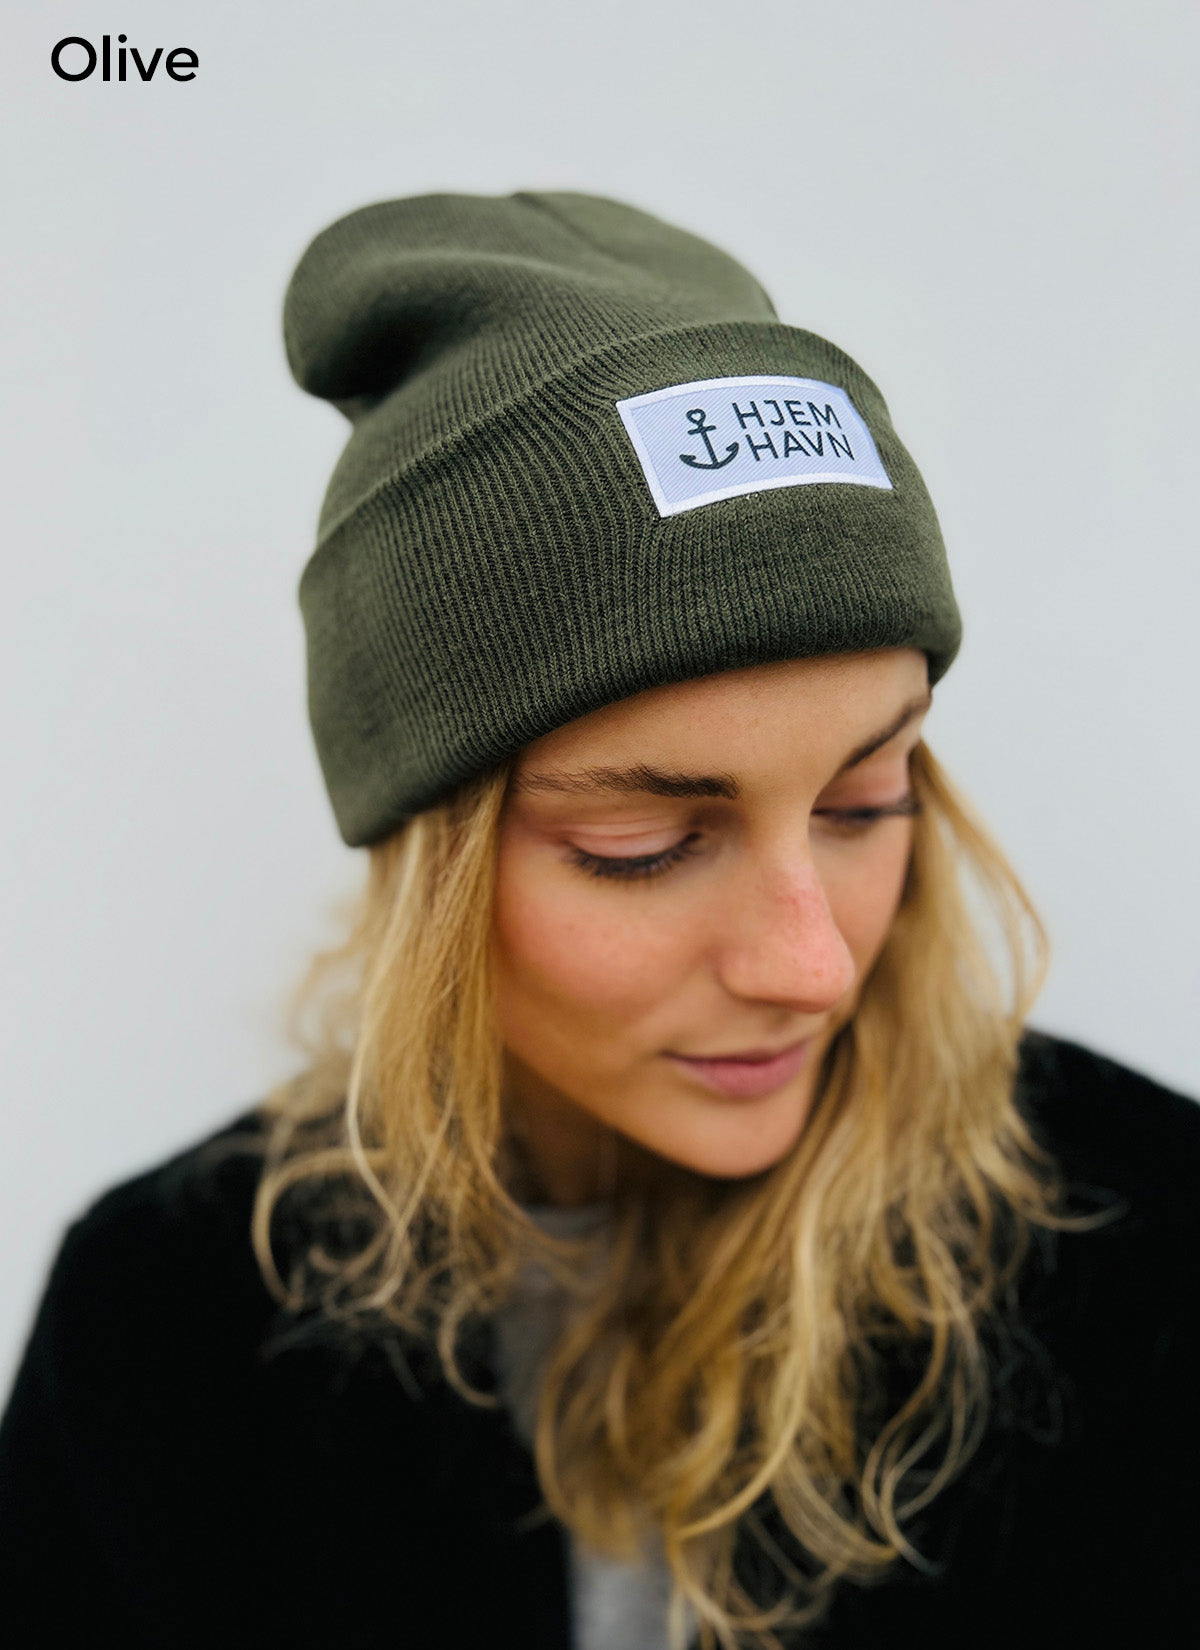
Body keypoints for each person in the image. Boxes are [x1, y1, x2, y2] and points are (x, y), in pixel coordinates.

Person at [1, 189, 1197, 1650]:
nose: (812, 964)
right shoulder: (157, 1332)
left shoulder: (1153, 1253)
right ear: (428, 868)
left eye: (865, 799)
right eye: (643, 847)